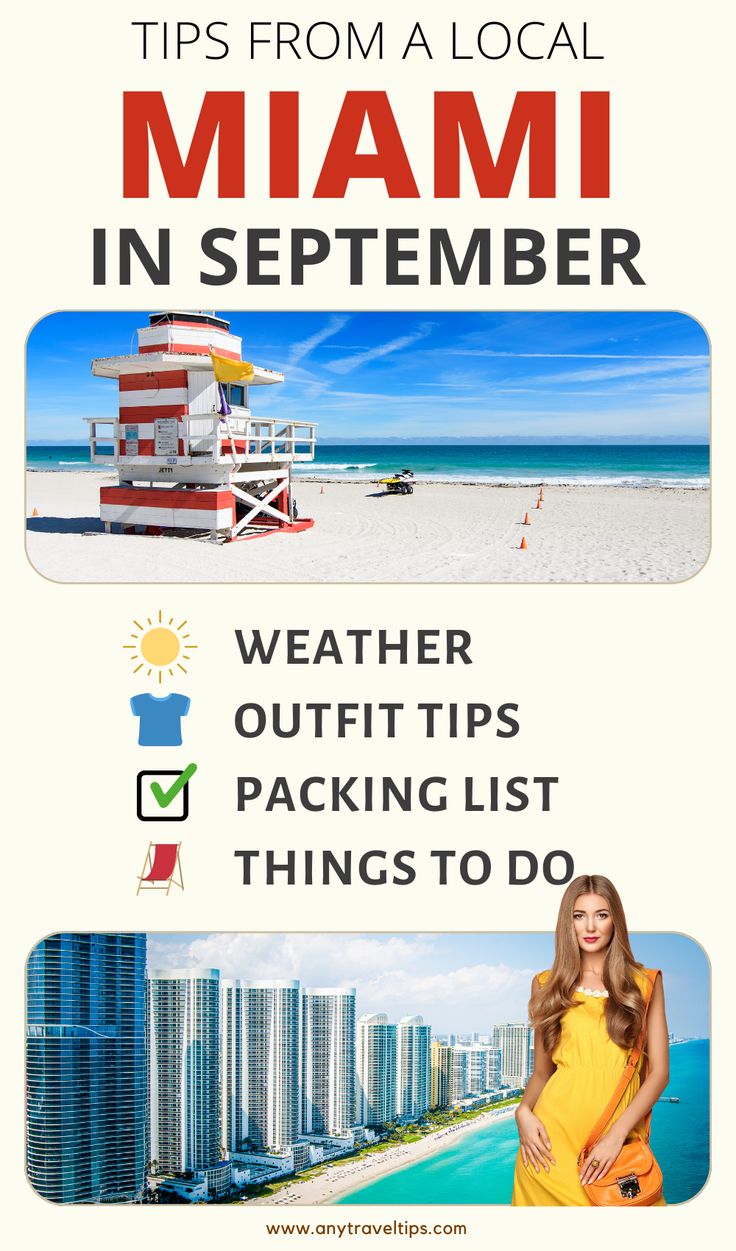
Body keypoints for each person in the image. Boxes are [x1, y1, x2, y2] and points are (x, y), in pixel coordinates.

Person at [511, 873, 669, 1206]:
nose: (590, 926)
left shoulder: (645, 983)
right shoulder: (544, 985)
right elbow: (543, 1073)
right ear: (567, 923)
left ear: (616, 921)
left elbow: (658, 1075)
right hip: (548, 1154)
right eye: (579, 916)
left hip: (614, 1152)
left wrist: (617, 1135)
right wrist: (523, 1112)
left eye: (601, 914)